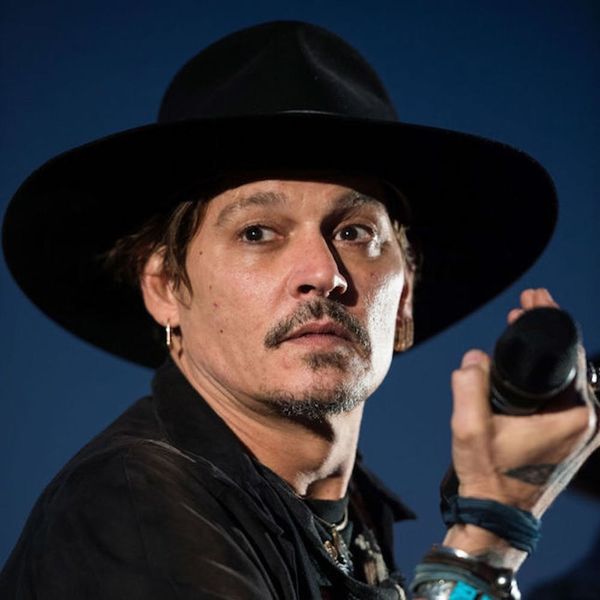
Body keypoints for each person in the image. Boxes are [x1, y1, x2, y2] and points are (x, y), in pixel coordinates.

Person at [1, 20, 598, 600]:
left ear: (405, 294)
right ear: (164, 287)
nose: (324, 274)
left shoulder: (345, 518)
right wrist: (488, 538)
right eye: (258, 233)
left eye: (356, 232)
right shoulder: (131, 506)